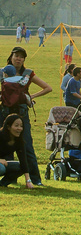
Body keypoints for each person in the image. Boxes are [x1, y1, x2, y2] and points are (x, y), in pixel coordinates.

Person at [1, 46, 52, 186]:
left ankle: (36, 180)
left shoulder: (28, 74)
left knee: (27, 146)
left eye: (21, 56)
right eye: (16, 55)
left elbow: (48, 88)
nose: (18, 58)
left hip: (21, 114)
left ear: (24, 60)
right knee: (5, 146)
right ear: (11, 57)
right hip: (5, 113)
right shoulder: (3, 73)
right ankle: (10, 178)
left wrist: (30, 97)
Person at [0, 114, 34, 189]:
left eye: (21, 126)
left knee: (26, 165)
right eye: (16, 125)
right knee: (1, 168)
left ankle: (2, 184)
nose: (20, 128)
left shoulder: (19, 141)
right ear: (8, 127)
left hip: (3, 163)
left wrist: (28, 181)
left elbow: (23, 161)